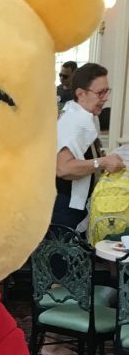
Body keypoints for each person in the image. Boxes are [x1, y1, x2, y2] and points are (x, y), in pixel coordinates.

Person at [53, 62, 125, 230]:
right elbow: (62, 168)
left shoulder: (85, 115)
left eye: (107, 91)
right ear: (80, 93)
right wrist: (103, 162)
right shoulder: (76, 121)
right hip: (62, 209)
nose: (105, 98)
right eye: (100, 93)